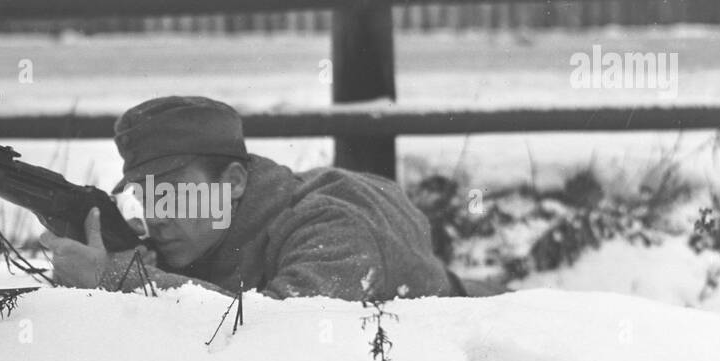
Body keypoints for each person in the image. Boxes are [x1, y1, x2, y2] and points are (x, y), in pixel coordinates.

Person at [40, 96, 462, 301]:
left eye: (171, 193)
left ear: (236, 181)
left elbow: (274, 341)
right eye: (143, 197)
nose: (157, 217)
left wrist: (117, 279)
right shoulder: (207, 232)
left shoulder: (335, 229)